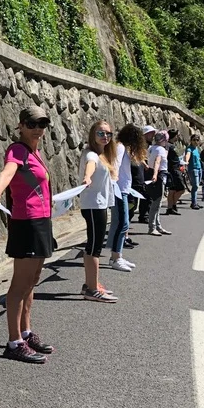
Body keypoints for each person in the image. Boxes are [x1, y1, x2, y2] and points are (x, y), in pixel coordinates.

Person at [0, 106, 56, 364]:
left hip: (41, 222)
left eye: (42, 124)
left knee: (32, 280)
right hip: (26, 223)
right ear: (21, 126)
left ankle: (25, 332)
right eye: (32, 124)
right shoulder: (17, 150)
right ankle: (14, 342)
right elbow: (7, 172)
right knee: (20, 284)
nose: (37, 129)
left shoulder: (35, 153)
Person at [78, 121, 118, 302]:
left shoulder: (103, 155)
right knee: (95, 248)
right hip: (93, 206)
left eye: (108, 134)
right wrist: (87, 177)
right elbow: (90, 165)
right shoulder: (92, 154)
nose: (105, 136)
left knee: (93, 246)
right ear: (93, 134)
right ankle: (92, 289)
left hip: (99, 205)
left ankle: (90, 284)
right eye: (101, 133)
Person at [109, 124, 145, 271]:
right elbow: (115, 166)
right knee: (122, 223)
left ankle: (117, 255)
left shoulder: (122, 147)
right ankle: (115, 258)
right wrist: (114, 184)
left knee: (121, 223)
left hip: (123, 189)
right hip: (119, 190)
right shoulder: (120, 147)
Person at [146, 130, 171, 237]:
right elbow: (157, 162)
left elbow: (149, 160)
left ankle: (158, 226)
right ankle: (152, 227)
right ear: (163, 140)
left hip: (152, 174)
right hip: (159, 176)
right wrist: (155, 174)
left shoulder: (151, 148)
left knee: (157, 202)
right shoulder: (161, 149)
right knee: (156, 203)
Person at [137, 125, 157, 224]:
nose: (153, 135)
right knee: (145, 194)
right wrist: (145, 164)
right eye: (151, 133)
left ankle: (146, 214)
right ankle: (143, 215)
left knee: (149, 194)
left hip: (149, 171)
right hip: (142, 171)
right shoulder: (141, 145)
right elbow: (139, 156)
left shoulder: (150, 145)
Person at [165, 129, 186, 215]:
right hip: (173, 170)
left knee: (173, 189)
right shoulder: (168, 146)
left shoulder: (171, 145)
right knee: (181, 189)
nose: (178, 137)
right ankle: (173, 205)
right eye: (177, 135)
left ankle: (170, 207)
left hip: (176, 168)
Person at [184, 134, 204, 209]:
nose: (196, 141)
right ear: (191, 140)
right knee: (195, 185)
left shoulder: (196, 149)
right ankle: (193, 203)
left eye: (197, 140)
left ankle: (195, 202)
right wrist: (186, 161)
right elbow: (187, 155)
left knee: (196, 186)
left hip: (199, 169)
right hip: (193, 169)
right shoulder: (189, 148)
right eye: (194, 140)